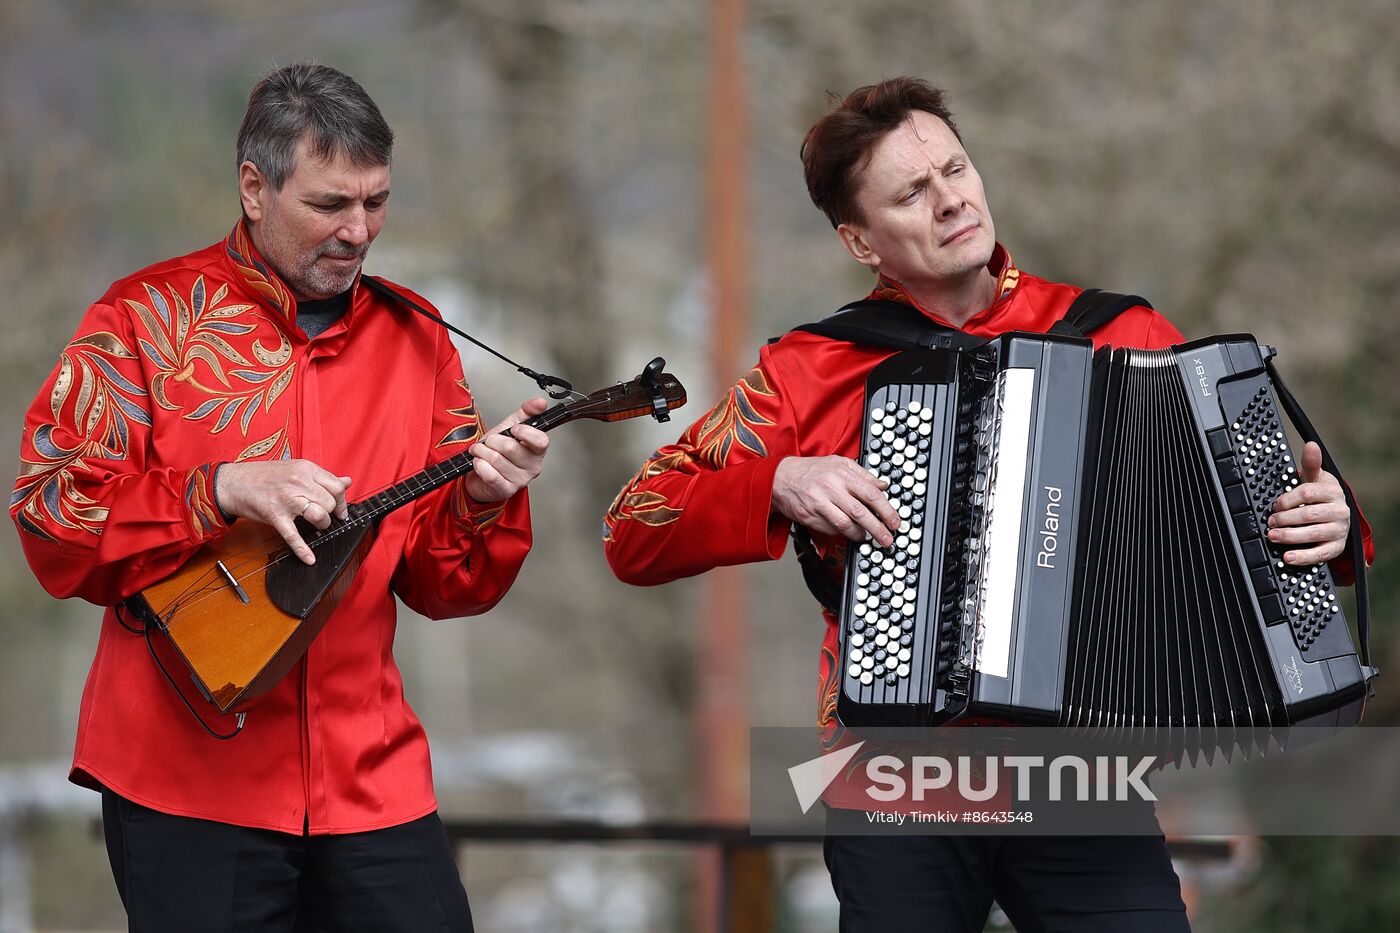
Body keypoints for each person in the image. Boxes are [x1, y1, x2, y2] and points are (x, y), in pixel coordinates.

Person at [602, 77, 1372, 932]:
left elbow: (1249, 522)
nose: (951, 201)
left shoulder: (1120, 332)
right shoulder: (807, 370)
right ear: (860, 239)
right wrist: (777, 480)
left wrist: (1326, 524)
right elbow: (634, 526)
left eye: (956, 170)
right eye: (911, 193)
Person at [10, 63, 550, 932]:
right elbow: (51, 521)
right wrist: (219, 487)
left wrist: (486, 499)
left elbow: (451, 588)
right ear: (253, 188)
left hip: (374, 783)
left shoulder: (420, 339)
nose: (359, 230)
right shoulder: (140, 318)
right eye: (330, 204)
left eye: (376, 202)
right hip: (185, 784)